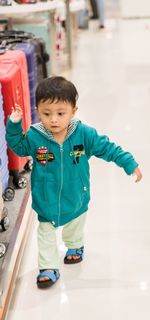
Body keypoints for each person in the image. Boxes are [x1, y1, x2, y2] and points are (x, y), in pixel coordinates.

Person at [6, 76, 142, 289]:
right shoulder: (35, 136)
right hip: (46, 199)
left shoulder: (83, 134)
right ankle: (48, 267)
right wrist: (14, 125)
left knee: (74, 226)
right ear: (37, 110)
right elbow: (19, 147)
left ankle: (75, 246)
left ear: (73, 111)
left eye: (61, 113)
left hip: (77, 195)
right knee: (45, 233)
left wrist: (128, 162)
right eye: (46, 113)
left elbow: (107, 148)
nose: (53, 120)